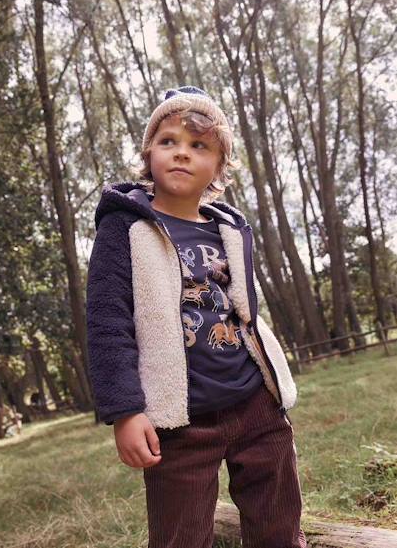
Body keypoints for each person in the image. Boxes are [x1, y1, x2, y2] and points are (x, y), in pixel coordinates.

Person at [86, 86, 306, 548]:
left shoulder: (230, 227)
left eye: (198, 145)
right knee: (179, 538)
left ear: (219, 166)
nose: (181, 153)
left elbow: (245, 309)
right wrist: (125, 411)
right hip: (179, 421)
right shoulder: (124, 227)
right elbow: (108, 323)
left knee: (279, 527)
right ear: (149, 154)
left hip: (255, 404)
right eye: (168, 141)